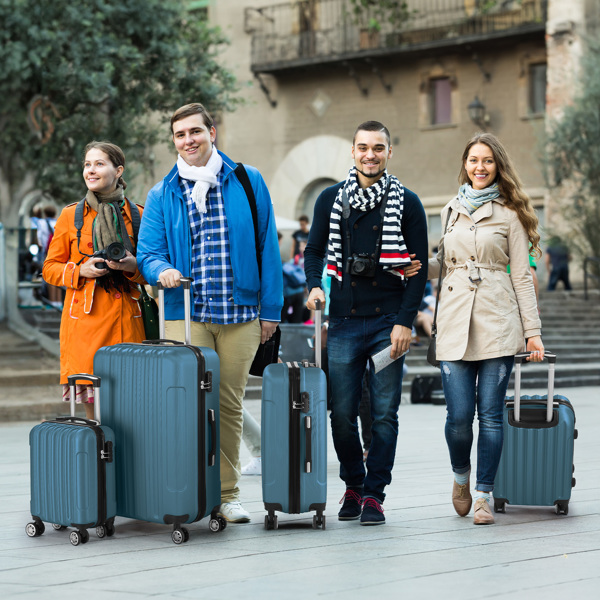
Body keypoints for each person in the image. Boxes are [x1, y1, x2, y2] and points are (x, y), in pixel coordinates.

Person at [136, 103, 282, 523]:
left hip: (241, 315)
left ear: (212, 132)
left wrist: (269, 311)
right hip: (190, 317)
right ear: (174, 141)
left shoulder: (247, 181)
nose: (188, 141)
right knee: (192, 405)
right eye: (180, 135)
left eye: (195, 132)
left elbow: (266, 248)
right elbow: (148, 253)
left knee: (229, 404)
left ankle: (228, 495)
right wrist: (162, 269)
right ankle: (191, 489)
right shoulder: (163, 194)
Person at [411, 132, 545, 525]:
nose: (480, 167)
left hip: (497, 320)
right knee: (457, 417)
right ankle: (460, 478)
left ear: (497, 166)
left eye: (487, 160)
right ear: (465, 164)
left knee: (489, 415)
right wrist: (416, 266)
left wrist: (532, 331)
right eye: (473, 160)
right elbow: (445, 264)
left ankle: (483, 494)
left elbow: (521, 276)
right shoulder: (451, 208)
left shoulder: (510, 215)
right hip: (453, 319)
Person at [304, 120, 429, 526]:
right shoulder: (329, 199)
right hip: (342, 321)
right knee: (340, 413)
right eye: (363, 147)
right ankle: (353, 485)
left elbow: (418, 269)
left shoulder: (407, 203)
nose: (370, 154)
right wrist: (313, 286)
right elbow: (314, 250)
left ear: (389, 152)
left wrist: (405, 322)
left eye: (378, 148)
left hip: (387, 322)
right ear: (353, 152)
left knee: (383, 413)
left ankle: (375, 494)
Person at [42, 142, 146, 420]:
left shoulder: (138, 214)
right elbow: (50, 269)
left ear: (118, 170)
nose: (91, 170)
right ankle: (101, 464)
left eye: (99, 164)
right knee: (96, 420)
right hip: (85, 328)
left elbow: (151, 269)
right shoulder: (70, 215)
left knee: (132, 414)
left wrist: (132, 266)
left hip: (129, 323)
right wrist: (81, 270)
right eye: (87, 164)